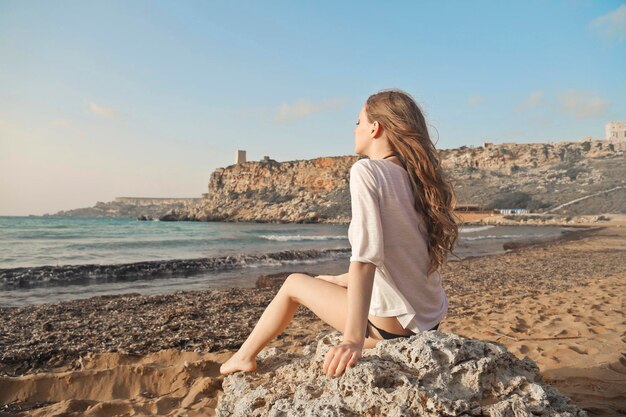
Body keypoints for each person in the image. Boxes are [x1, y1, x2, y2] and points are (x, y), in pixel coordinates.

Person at [220, 89, 459, 378]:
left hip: (393, 326)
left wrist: (352, 340)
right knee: (324, 283)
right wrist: (338, 281)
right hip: (428, 321)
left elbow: (366, 258)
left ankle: (244, 357)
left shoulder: (367, 171)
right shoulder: (418, 180)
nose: (355, 129)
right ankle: (370, 336)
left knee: (293, 283)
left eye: (358, 121)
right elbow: (402, 258)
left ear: (376, 127)